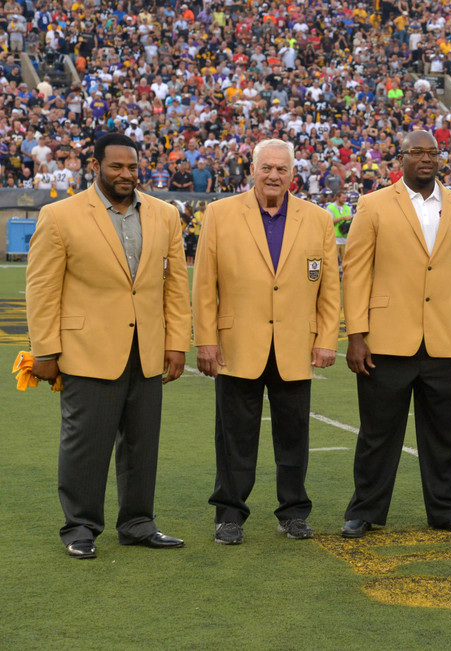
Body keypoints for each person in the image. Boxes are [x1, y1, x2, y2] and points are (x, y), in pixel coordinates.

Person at [25, 133, 191, 559]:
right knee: (85, 444)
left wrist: (176, 343)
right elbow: (42, 288)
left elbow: (174, 285)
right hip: (86, 348)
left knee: (142, 442)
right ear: (95, 165)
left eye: (132, 166)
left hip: (147, 348)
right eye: (116, 166)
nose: (126, 174)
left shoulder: (164, 214)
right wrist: (45, 350)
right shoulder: (59, 215)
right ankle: (80, 527)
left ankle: (138, 523)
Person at [341, 130, 451, 538]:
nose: (425, 159)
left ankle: (446, 510)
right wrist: (356, 334)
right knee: (378, 434)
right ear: (402, 158)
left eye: (432, 152)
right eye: (416, 152)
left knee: (444, 434)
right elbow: (355, 272)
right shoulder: (372, 205)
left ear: (440, 158)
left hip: (449, 338)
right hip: (386, 339)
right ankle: (364, 511)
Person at [192, 138, 340, 545]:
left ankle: (292, 512)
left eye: (282, 169)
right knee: (234, 436)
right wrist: (205, 339)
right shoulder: (220, 214)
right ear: (252, 170)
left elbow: (329, 288)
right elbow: (205, 285)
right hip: (236, 343)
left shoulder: (318, 219)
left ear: (293, 174)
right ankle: (229, 514)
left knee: (294, 435)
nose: (274, 175)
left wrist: (327, 338)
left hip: (296, 343)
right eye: (267, 168)